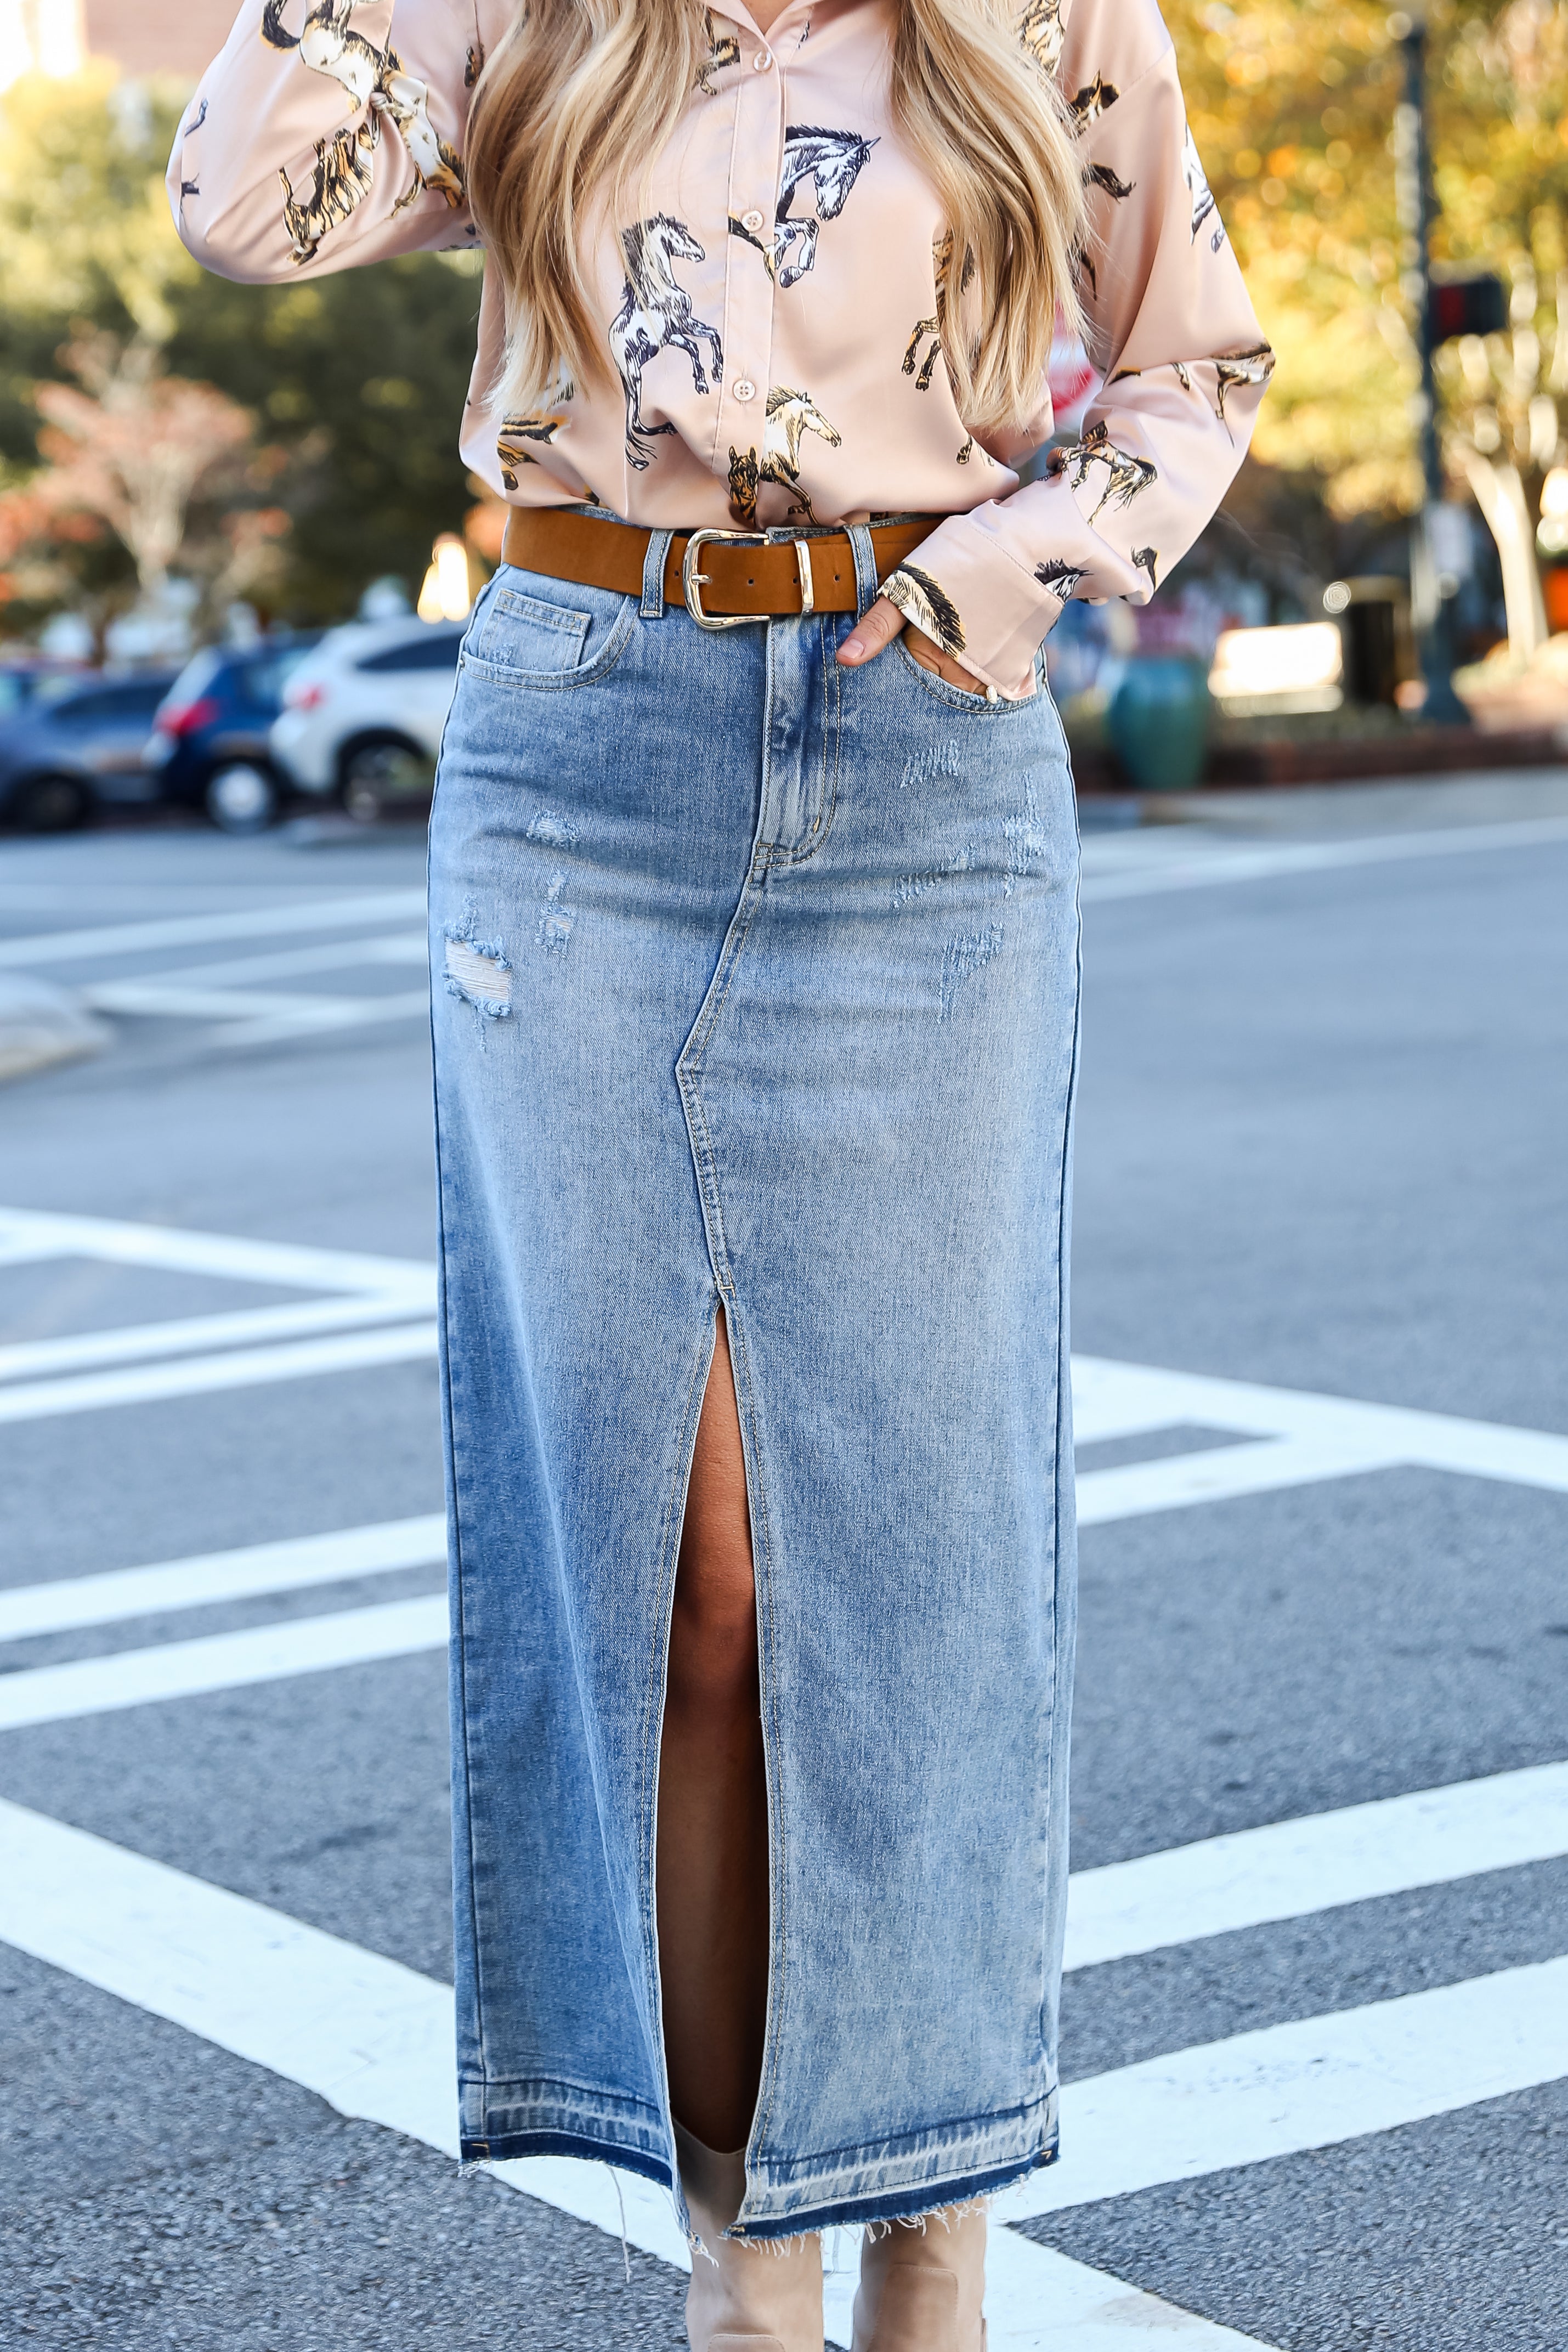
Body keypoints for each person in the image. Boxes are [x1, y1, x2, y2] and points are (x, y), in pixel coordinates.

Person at [171, 4, 1269, 2344]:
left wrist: (1032, 549)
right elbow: (244, 211)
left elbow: (1194, 365)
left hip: (925, 754)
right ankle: (747, 2260)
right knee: (686, 1569)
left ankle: (933, 2235)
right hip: (581, 751)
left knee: (923, 1545)